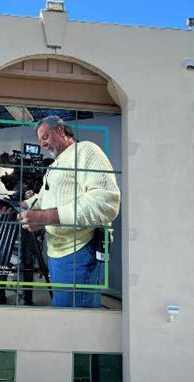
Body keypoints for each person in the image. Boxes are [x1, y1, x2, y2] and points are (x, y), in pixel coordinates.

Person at [18, 115, 121, 307]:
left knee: (74, 316)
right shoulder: (55, 165)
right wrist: (21, 204)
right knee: (63, 309)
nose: (43, 144)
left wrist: (46, 217)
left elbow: (106, 201)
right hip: (57, 251)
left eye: (46, 137)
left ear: (60, 131)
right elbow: (42, 197)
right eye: (40, 140)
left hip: (79, 251)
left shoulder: (85, 150)